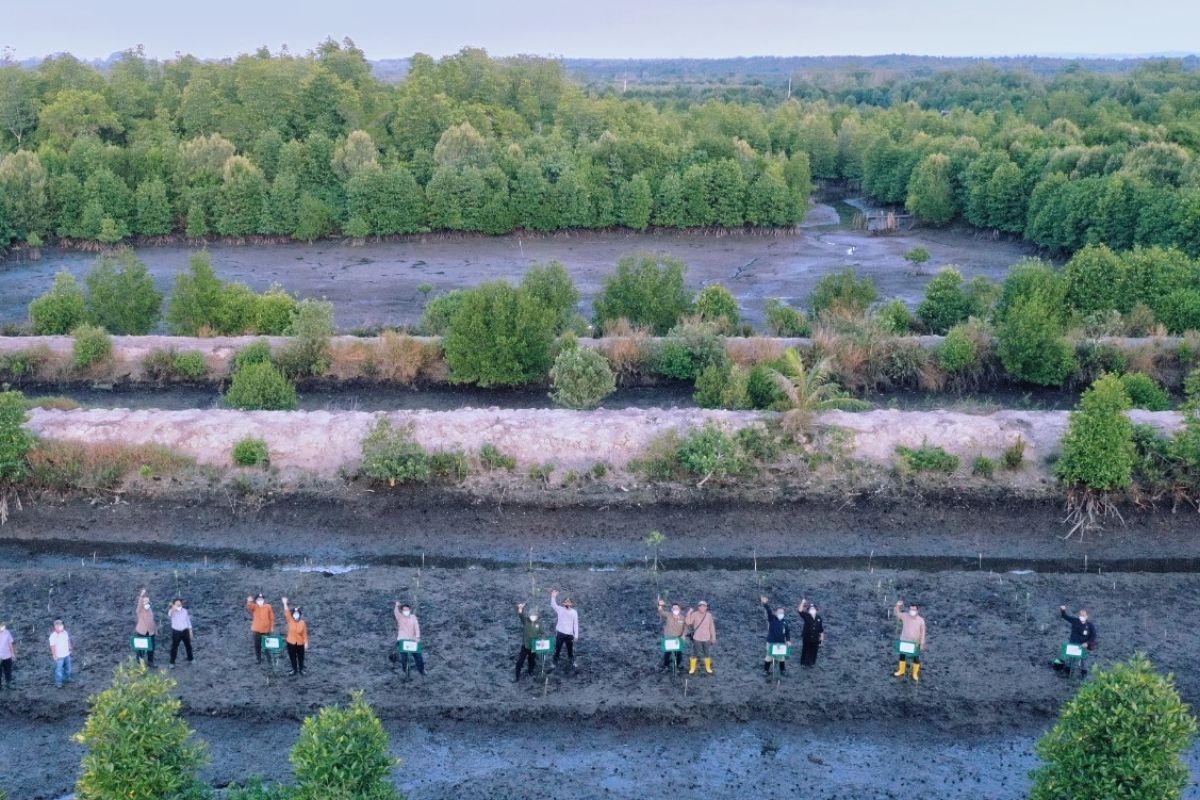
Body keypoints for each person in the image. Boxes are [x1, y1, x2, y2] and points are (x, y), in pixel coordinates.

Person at [1053, 605, 1097, 678]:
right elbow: (1065, 616)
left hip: (1082, 646)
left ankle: (1083, 674)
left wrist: (1087, 643)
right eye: (1080, 615)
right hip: (1073, 644)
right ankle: (1068, 673)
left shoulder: (1090, 625)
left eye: (1083, 615)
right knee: (1071, 659)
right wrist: (1063, 610)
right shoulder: (1075, 621)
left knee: (1083, 660)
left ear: (1087, 616)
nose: (1082, 616)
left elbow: (1094, 636)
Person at [892, 601, 927, 682]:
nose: (912, 611)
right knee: (902, 656)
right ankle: (901, 671)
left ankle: (914, 674)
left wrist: (922, 643)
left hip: (915, 643)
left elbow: (923, 633)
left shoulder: (921, 620)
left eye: (914, 610)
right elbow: (896, 613)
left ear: (917, 611)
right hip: (904, 641)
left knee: (916, 658)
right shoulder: (905, 616)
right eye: (911, 609)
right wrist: (897, 605)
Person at [760, 595, 791, 677]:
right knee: (769, 657)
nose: (781, 613)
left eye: (782, 612)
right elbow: (768, 610)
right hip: (771, 642)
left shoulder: (785, 622)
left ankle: (783, 670)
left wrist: (788, 640)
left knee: (781, 657)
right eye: (779, 612)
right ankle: (765, 670)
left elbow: (787, 632)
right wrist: (765, 603)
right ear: (776, 612)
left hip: (781, 643)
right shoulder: (772, 618)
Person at [514, 602, 544, 682]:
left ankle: (530, 672)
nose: (533, 617)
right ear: (529, 615)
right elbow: (521, 615)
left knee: (532, 661)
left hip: (534, 645)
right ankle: (517, 676)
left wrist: (542, 639)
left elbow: (542, 633)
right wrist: (520, 608)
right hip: (525, 645)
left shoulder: (539, 623)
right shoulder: (526, 621)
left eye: (534, 615)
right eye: (531, 615)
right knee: (520, 662)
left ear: (537, 616)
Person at [685, 600, 717, 675]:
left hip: (706, 638)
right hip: (697, 638)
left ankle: (708, 668)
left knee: (707, 653)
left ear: (706, 607)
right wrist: (689, 612)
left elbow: (712, 627)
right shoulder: (694, 614)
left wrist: (713, 637)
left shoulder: (709, 615)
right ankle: (692, 668)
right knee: (695, 653)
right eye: (700, 606)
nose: (702, 607)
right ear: (698, 607)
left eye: (704, 606)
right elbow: (688, 622)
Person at [393, 601, 425, 676]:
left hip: (413, 639)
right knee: (404, 658)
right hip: (403, 639)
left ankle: (421, 670)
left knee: (418, 656)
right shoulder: (400, 617)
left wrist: (417, 637)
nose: (406, 611)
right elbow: (396, 613)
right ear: (402, 611)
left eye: (407, 610)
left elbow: (416, 627)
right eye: (404, 610)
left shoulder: (413, 617)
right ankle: (405, 670)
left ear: (409, 610)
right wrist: (396, 606)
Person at [549, 590, 579, 668]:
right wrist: (553, 596)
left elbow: (575, 624)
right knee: (557, 649)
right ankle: (555, 661)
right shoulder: (560, 609)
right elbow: (553, 604)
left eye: (569, 602)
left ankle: (571, 660)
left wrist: (576, 635)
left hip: (570, 635)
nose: (567, 603)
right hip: (560, 633)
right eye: (566, 602)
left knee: (570, 649)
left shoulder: (574, 612)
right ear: (563, 603)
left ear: (571, 604)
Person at [656, 599, 687, 671]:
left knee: (678, 654)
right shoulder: (668, 615)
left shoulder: (683, 618)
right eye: (674, 608)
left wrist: (683, 635)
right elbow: (660, 611)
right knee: (667, 653)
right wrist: (660, 605)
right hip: (668, 638)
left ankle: (677, 666)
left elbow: (685, 627)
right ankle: (666, 665)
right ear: (672, 609)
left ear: (679, 609)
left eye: (677, 608)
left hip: (678, 639)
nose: (675, 609)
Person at [281, 597, 308, 676]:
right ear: (292, 615)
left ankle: (301, 669)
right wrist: (285, 603)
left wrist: (306, 642)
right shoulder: (290, 620)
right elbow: (286, 612)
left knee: (301, 657)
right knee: (292, 657)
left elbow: (304, 634)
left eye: (297, 614)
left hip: (300, 643)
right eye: (294, 614)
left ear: (299, 615)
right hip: (291, 642)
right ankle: (294, 669)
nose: (296, 615)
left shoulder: (302, 623)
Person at [245, 593, 275, 664]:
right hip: (256, 630)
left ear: (264, 600)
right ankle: (258, 659)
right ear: (256, 601)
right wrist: (249, 601)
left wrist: (272, 627)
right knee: (257, 645)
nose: (260, 601)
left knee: (267, 646)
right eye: (258, 599)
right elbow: (249, 606)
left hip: (266, 630)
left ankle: (269, 659)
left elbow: (272, 618)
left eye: (261, 599)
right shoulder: (254, 607)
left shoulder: (268, 606)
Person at [797, 599, 826, 667]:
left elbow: (821, 629)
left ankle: (812, 662)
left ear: (816, 610)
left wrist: (821, 638)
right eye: (811, 609)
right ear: (808, 610)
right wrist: (802, 602)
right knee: (805, 649)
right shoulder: (806, 616)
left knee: (814, 650)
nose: (812, 610)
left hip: (816, 638)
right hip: (806, 637)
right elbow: (800, 610)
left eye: (813, 609)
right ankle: (803, 663)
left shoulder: (819, 618)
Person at [134, 588, 157, 667]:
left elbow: (152, 620)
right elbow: (139, 606)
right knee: (140, 648)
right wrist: (141, 596)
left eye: (147, 601)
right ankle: (140, 663)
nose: (145, 602)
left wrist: (155, 630)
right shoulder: (140, 610)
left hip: (150, 632)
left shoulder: (150, 610)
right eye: (144, 601)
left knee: (151, 648)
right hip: (142, 631)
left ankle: (150, 662)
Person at [168, 598, 194, 667]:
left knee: (188, 646)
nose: (178, 604)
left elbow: (188, 621)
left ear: (181, 604)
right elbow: (170, 614)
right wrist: (173, 608)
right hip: (176, 632)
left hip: (185, 631)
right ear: (174, 604)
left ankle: (190, 659)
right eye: (176, 603)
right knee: (174, 647)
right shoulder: (171, 611)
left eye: (179, 603)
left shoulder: (185, 611)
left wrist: (190, 631)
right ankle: (172, 662)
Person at [48, 619, 71, 689]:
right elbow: (52, 646)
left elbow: (68, 640)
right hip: (59, 656)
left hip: (66, 654)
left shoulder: (65, 633)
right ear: (55, 626)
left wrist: (70, 648)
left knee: (68, 668)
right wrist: (54, 655)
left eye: (62, 625)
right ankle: (59, 682)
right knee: (59, 670)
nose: (61, 626)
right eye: (60, 625)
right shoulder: (53, 636)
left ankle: (67, 679)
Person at [0, 620, 14, 689]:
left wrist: (13, 654)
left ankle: (8, 684)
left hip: (7, 655)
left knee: (8, 670)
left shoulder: (7, 632)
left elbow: (10, 644)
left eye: (3, 626)